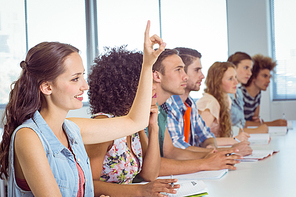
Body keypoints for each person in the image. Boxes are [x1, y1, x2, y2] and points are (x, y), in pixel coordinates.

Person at [0, 21, 178, 196]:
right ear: (47, 87)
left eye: (83, 76)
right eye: (75, 79)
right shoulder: (28, 137)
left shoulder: (73, 129)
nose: (85, 86)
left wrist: (147, 64)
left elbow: (135, 121)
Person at [85, 46, 178, 196]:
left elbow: (150, 174)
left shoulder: (133, 124)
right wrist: (140, 191)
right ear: (127, 87)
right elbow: (90, 185)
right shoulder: (103, 124)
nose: (155, 87)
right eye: (148, 81)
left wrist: (153, 127)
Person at [151, 49, 243, 176]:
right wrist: (209, 159)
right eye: (178, 70)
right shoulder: (159, 107)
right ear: (156, 76)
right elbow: (151, 166)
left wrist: (213, 153)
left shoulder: (163, 108)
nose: (185, 76)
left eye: (183, 69)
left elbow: (172, 151)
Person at [166, 47, 252, 148]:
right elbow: (177, 151)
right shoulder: (169, 106)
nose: (202, 76)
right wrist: (228, 151)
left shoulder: (190, 103)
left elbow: (206, 137)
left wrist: (211, 149)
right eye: (197, 70)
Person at [196, 62, 251, 145]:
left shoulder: (226, 100)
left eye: (235, 77)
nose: (236, 82)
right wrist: (234, 140)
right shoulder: (210, 103)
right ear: (217, 82)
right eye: (230, 79)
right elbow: (200, 140)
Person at [227, 52, 269, 133]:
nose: (250, 73)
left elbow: (241, 124)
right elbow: (225, 130)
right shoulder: (224, 94)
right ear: (233, 68)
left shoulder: (238, 93)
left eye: (250, 69)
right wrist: (256, 130)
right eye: (246, 68)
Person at [242, 54, 287, 126]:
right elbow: (239, 124)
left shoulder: (258, 94)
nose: (269, 81)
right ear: (253, 76)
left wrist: (259, 122)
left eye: (269, 77)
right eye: (264, 76)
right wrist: (272, 124)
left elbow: (254, 121)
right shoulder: (240, 94)